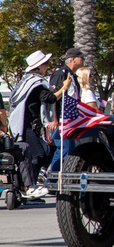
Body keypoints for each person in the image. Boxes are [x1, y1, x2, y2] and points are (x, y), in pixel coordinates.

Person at [8, 50, 71, 200]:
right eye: (45, 64)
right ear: (38, 66)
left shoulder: (26, 81)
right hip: (25, 126)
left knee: (43, 153)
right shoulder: (36, 83)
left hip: (28, 124)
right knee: (39, 154)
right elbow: (50, 98)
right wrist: (64, 87)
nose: (47, 67)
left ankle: (25, 189)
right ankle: (27, 188)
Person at [45, 47, 84, 175]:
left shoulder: (72, 75)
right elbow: (53, 98)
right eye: (81, 58)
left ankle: (65, 179)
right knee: (63, 149)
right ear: (73, 59)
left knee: (69, 150)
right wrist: (54, 119)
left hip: (70, 120)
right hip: (61, 119)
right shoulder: (60, 73)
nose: (83, 60)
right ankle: (53, 179)